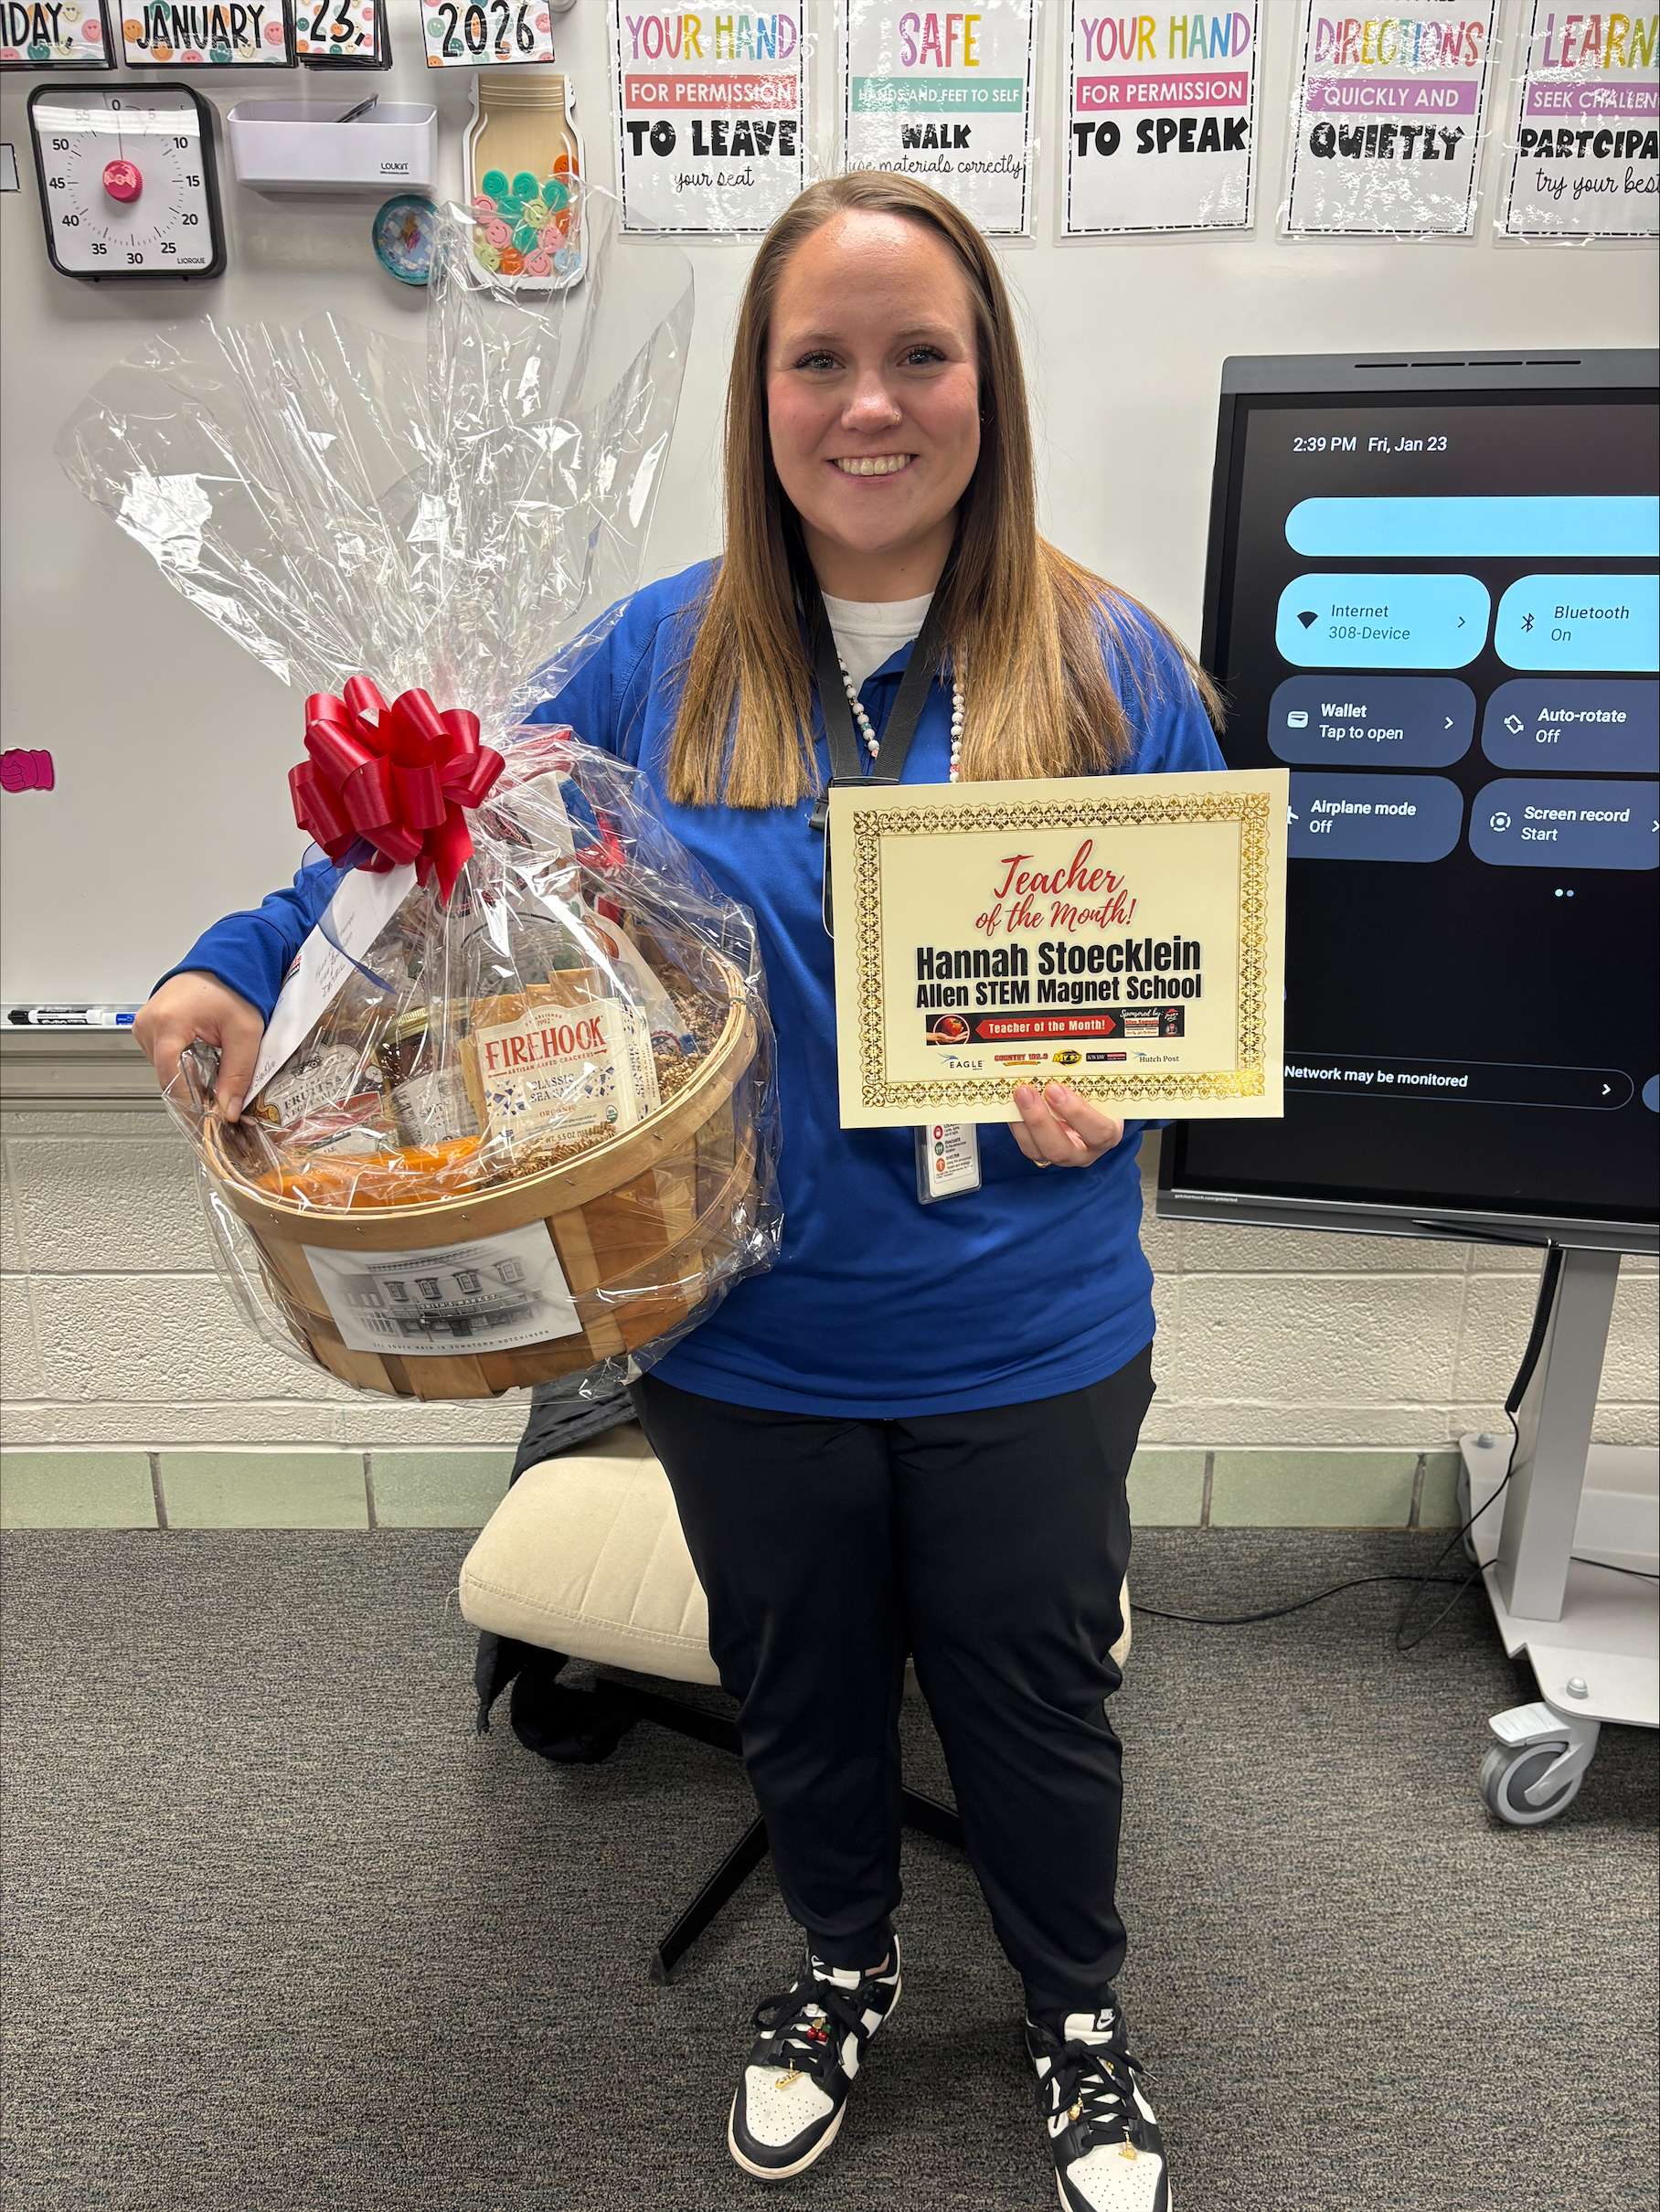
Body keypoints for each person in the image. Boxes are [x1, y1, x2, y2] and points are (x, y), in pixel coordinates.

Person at [137, 171, 1224, 2212]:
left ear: (985, 381)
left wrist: (1135, 1090)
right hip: (742, 1328)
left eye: (919, 355)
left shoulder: (1101, 664)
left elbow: (1200, 972)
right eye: (819, 359)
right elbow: (422, 831)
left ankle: (1074, 2010)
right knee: (795, 1682)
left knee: (1033, 1692)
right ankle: (837, 1965)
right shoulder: (657, 655)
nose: (869, 405)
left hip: (1028, 1322)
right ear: (762, 390)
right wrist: (232, 950)